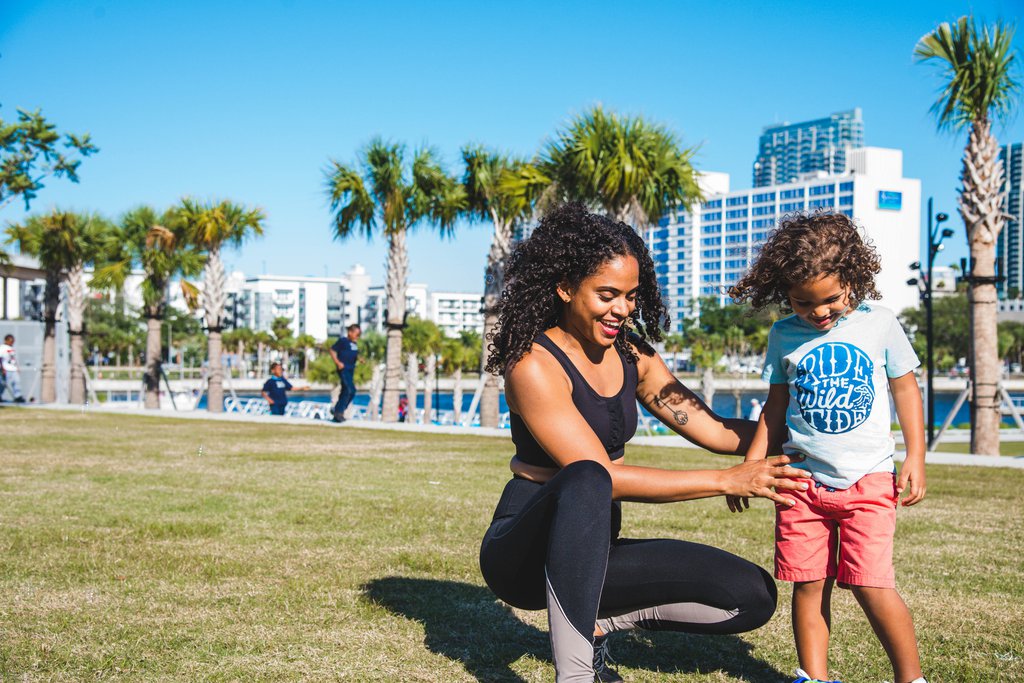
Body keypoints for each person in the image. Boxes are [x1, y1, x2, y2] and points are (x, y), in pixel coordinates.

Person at [478, 203, 811, 683]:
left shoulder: (633, 354)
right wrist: (726, 481)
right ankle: (575, 677)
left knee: (751, 594)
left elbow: (714, 429)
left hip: (594, 553)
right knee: (588, 477)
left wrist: (802, 431)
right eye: (607, 294)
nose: (623, 309)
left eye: (631, 296)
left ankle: (594, 629)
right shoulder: (533, 364)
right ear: (566, 288)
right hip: (522, 556)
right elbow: (602, 476)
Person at [726, 212, 928, 683]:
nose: (819, 313)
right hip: (801, 482)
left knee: (871, 585)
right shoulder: (782, 335)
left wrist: (915, 455)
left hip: (869, 480)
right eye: (803, 304)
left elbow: (906, 390)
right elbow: (775, 408)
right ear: (785, 294)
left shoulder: (881, 324)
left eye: (831, 300)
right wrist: (750, 464)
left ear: (853, 279)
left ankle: (911, 678)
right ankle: (813, 677)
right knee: (809, 584)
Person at [330, 324, 361, 422]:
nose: (358, 336)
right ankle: (338, 412)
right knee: (349, 389)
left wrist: (360, 359)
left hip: (351, 369)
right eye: (356, 334)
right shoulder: (343, 341)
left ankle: (338, 411)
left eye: (359, 334)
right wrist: (338, 362)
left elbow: (353, 354)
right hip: (343, 369)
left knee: (347, 391)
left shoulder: (354, 344)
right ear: (350, 332)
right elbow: (332, 350)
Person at [0, 334, 26, 403]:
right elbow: (0, 358)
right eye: (10, 341)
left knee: (16, 382)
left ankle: (18, 396)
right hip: (6, 368)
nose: (12, 342)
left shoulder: (11, 348)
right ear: (6, 340)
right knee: (3, 383)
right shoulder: (2, 348)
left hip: (13, 368)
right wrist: (2, 368)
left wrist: (17, 367)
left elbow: (13, 359)